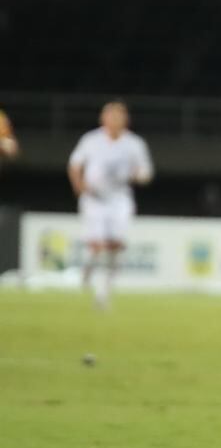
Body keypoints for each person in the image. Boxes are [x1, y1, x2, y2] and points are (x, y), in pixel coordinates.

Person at [67, 100, 153, 309]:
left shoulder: (134, 143)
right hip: (94, 199)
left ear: (126, 120)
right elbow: (75, 165)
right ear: (103, 119)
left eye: (119, 116)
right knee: (97, 246)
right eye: (111, 116)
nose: (115, 120)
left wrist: (139, 175)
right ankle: (88, 271)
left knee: (115, 246)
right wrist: (79, 186)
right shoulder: (91, 140)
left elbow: (146, 173)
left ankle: (103, 293)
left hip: (119, 198)